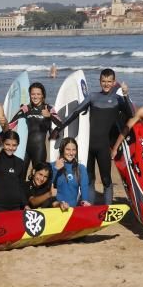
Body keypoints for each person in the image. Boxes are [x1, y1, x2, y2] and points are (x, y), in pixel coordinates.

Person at [54, 68, 133, 205]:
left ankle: (107, 209)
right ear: (100, 81)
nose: (106, 84)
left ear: (114, 82)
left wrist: (126, 95)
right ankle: (90, 207)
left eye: (109, 81)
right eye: (104, 81)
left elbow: (130, 115)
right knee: (89, 178)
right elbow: (75, 112)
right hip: (88, 145)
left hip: (103, 146)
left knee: (106, 180)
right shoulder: (93, 97)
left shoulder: (118, 100)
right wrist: (59, 127)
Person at [9, 81, 62, 180]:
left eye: (38, 94)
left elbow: (61, 124)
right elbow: (11, 124)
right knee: (20, 176)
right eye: (33, 94)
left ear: (43, 95)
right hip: (24, 148)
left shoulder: (49, 108)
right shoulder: (26, 108)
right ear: (30, 95)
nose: (35, 96)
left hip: (39, 149)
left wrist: (50, 116)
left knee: (38, 177)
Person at [0, 130, 27, 212]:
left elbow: (21, 185)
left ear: (18, 145)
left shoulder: (20, 163)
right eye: (7, 144)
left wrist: (25, 204)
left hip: (16, 207)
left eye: (14, 145)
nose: (11, 148)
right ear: (2, 143)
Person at [52, 137, 93, 210]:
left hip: (72, 211)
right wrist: (55, 169)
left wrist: (85, 201)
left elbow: (84, 187)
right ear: (62, 150)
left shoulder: (81, 168)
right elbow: (46, 187)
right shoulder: (52, 166)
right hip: (55, 209)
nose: (71, 153)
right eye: (67, 149)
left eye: (73, 150)